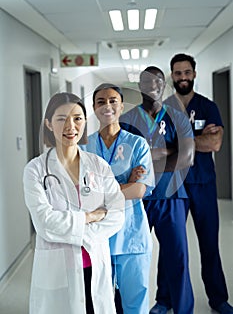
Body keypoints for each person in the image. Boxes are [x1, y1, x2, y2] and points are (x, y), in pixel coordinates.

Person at [23, 92, 125, 314]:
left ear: (85, 122)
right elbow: (45, 223)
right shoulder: (35, 170)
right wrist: (90, 217)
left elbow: (117, 214)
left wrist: (76, 231)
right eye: (61, 118)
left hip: (94, 264)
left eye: (77, 118)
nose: (71, 126)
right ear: (49, 124)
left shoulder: (98, 166)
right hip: (59, 270)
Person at [120, 66, 195, 314]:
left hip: (171, 197)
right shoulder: (127, 121)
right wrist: (166, 151)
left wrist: (148, 159)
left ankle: (182, 309)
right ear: (140, 86)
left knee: (178, 259)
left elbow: (186, 159)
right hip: (137, 200)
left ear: (165, 85)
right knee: (132, 258)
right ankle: (134, 308)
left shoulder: (178, 117)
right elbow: (125, 163)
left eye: (159, 81)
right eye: (147, 81)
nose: (154, 85)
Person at [165, 53, 233, 314]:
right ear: (172, 76)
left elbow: (215, 143)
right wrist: (195, 140)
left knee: (209, 244)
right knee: (173, 245)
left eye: (186, 72)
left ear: (194, 74)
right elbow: (159, 149)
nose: (182, 77)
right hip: (173, 185)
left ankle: (218, 299)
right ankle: (165, 299)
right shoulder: (164, 110)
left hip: (203, 183)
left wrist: (180, 143)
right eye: (178, 73)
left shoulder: (208, 106)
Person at [82, 83, 155, 314]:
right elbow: (82, 193)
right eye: (101, 102)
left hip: (131, 236)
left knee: (135, 303)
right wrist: (126, 183)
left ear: (122, 105)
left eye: (113, 100)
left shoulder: (137, 144)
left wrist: (101, 190)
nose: (107, 106)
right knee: (101, 304)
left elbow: (139, 191)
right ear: (94, 108)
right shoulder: (84, 147)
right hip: (96, 238)